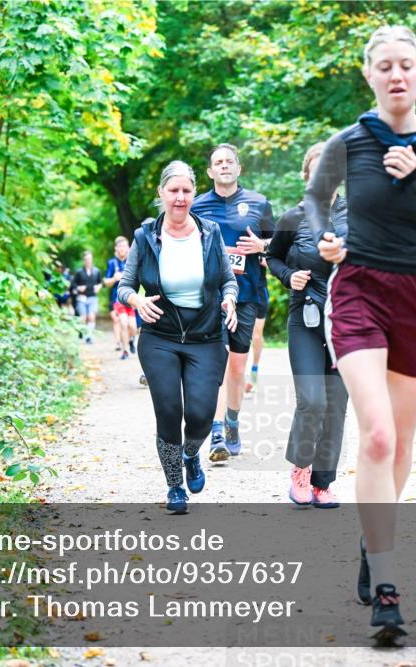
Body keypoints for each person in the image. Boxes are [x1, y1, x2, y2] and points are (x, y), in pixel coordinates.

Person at [304, 25, 416, 641]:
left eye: (406, 65)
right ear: (369, 75)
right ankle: (387, 587)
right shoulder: (349, 143)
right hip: (359, 289)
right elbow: (313, 197)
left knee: (401, 442)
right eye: (384, 66)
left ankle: (370, 538)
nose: (396, 76)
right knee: (377, 435)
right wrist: (326, 237)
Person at [118, 160, 238, 515]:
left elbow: (228, 280)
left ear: (194, 193)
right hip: (160, 336)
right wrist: (137, 300)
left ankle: (190, 454)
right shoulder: (145, 237)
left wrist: (229, 298)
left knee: (200, 416)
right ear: (162, 194)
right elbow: (125, 286)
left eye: (187, 191)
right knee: (169, 410)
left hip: (206, 336)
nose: (181, 198)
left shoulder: (211, 233)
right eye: (174, 191)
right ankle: (175, 486)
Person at [267, 142, 349, 509]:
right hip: (305, 315)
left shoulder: (356, 216)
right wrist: (289, 276)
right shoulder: (292, 218)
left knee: (337, 403)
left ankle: (323, 483)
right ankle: (301, 469)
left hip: (346, 321)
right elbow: (272, 258)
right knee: (312, 400)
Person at [191, 143, 275, 461]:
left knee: (237, 368)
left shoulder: (258, 203)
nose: (224, 166)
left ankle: (232, 422)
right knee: (216, 362)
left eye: (229, 161)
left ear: (239, 168)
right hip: (208, 297)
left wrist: (262, 245)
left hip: (247, 294)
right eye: (218, 162)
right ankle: (215, 434)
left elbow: (279, 245)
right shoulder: (197, 207)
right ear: (211, 172)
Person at [105, 236, 138, 360]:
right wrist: (114, 278)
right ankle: (125, 351)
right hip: (118, 297)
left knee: (133, 327)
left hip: (131, 297)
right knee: (123, 323)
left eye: (125, 246)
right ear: (116, 248)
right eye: (120, 246)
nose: (123, 248)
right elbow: (106, 282)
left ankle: (130, 340)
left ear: (129, 248)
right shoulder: (112, 263)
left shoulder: (133, 260)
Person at [70, 250, 104, 344]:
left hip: (92, 297)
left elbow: (101, 282)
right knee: (83, 318)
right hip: (81, 298)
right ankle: (82, 333)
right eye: (86, 259)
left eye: (89, 259)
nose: (88, 261)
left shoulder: (96, 271)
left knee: (91, 316)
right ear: (83, 260)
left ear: (92, 259)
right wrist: (78, 288)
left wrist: (99, 287)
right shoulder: (79, 272)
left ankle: (89, 337)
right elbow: (72, 285)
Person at [245, 280, 269, 395]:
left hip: (258, 289)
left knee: (256, 336)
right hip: (237, 287)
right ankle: (237, 377)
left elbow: (270, 263)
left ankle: (253, 374)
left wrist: (259, 260)